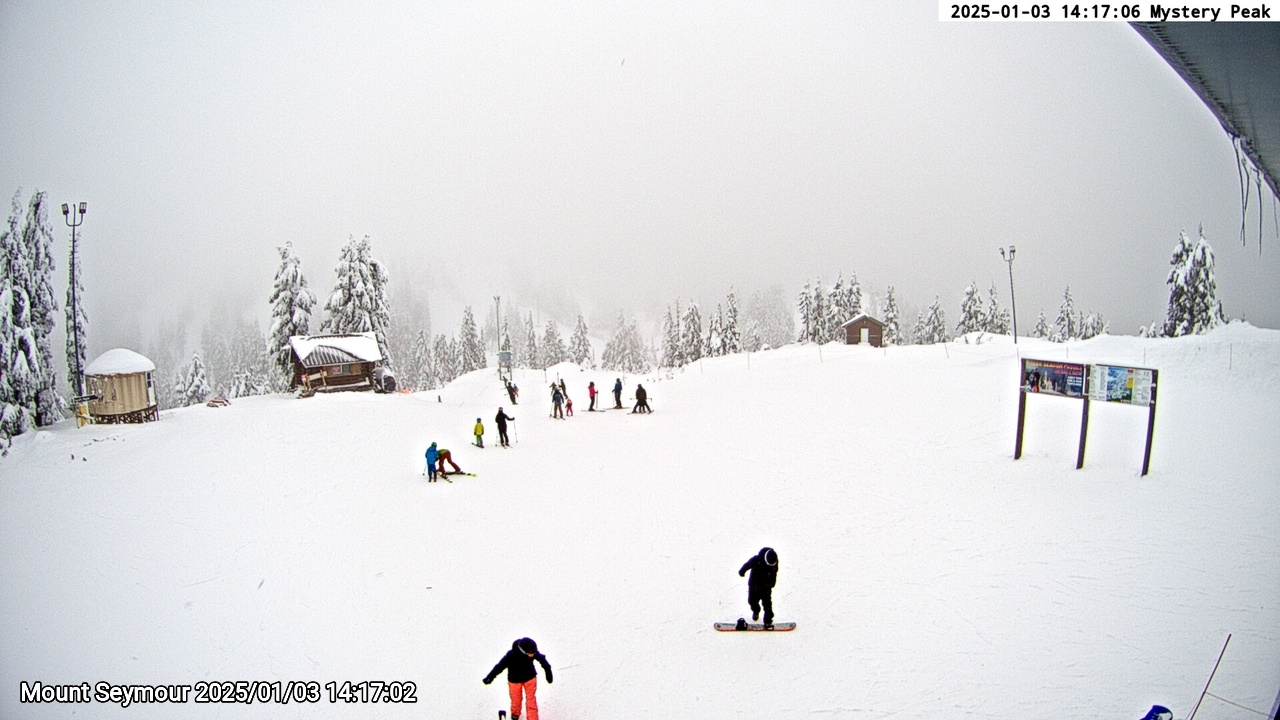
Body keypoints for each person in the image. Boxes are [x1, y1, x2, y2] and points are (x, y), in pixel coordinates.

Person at [483, 637, 552, 720]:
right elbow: (499, 667)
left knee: (531, 701)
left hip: (530, 678)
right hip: (514, 680)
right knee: (516, 700)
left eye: (534, 652)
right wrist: (490, 677)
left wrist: (548, 673)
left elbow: (543, 661)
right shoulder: (510, 656)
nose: (533, 654)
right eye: (531, 653)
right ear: (523, 652)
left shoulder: (532, 651)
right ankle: (515, 714)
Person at [738, 547, 779, 628]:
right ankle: (756, 611)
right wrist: (742, 571)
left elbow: (774, 573)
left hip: (766, 586)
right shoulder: (757, 559)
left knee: (767, 604)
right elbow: (747, 565)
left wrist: (772, 583)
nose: (771, 566)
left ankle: (768, 621)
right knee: (752, 601)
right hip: (754, 584)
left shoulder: (775, 561)